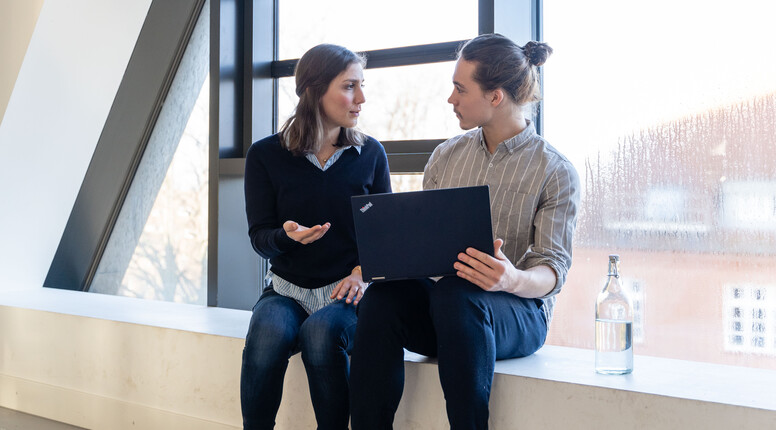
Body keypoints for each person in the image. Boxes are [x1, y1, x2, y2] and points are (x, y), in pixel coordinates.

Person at [349, 33, 580, 429]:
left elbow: (552, 271)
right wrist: (383, 260)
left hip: (517, 313)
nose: (451, 99)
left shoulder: (554, 170)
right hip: (449, 313)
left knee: (458, 293)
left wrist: (512, 278)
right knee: (384, 297)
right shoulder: (446, 156)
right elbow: (423, 246)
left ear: (495, 96)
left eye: (460, 88)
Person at [240, 44, 391, 430]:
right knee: (266, 336)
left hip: (348, 290)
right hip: (287, 289)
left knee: (322, 337)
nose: (361, 98)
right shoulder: (265, 155)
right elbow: (260, 237)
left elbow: (386, 238)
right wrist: (288, 237)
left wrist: (360, 274)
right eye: (349, 86)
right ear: (315, 90)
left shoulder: (370, 154)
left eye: (361, 86)